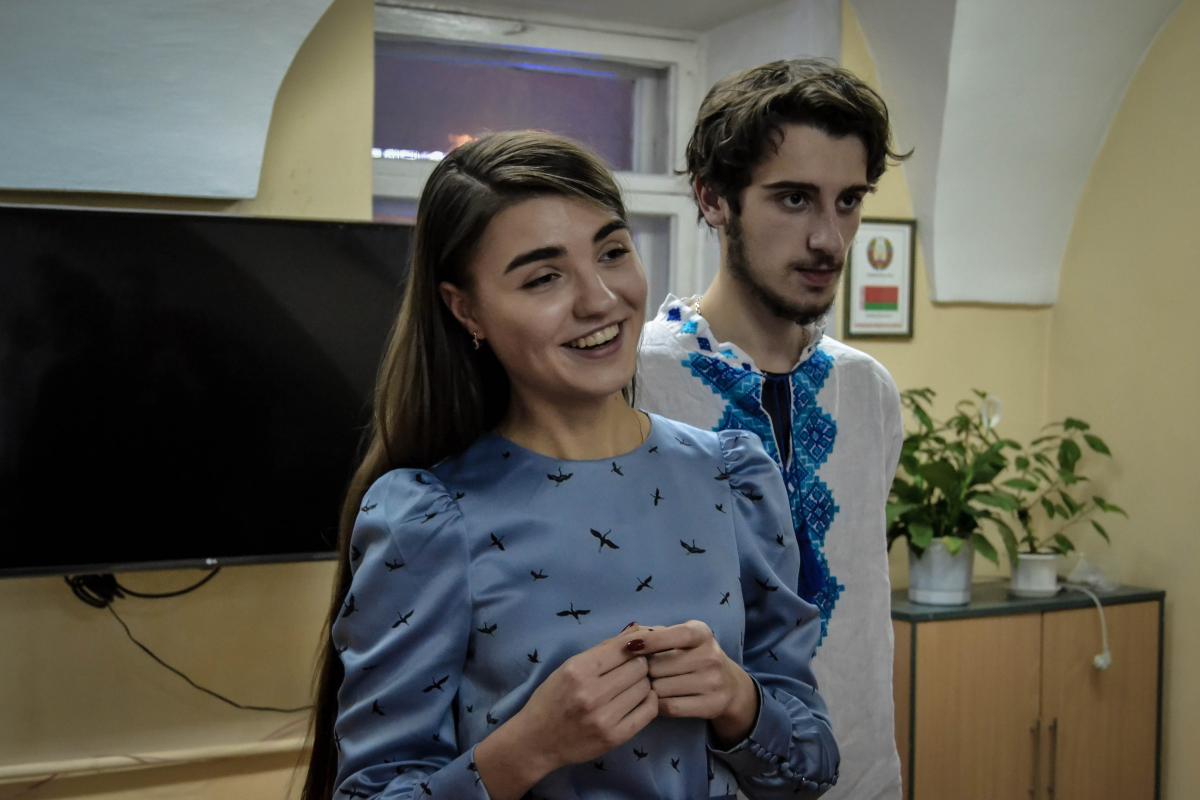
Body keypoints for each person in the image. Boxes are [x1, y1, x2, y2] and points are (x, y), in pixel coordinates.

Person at [300, 131, 839, 800]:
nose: (600, 299)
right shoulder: (428, 519)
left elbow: (813, 766)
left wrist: (739, 702)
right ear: (466, 309)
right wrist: (530, 747)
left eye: (612, 252)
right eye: (543, 277)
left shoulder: (733, 478)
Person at [637, 59, 911, 800]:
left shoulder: (868, 390)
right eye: (794, 198)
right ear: (713, 198)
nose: (830, 238)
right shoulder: (634, 381)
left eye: (849, 201)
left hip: (861, 779)